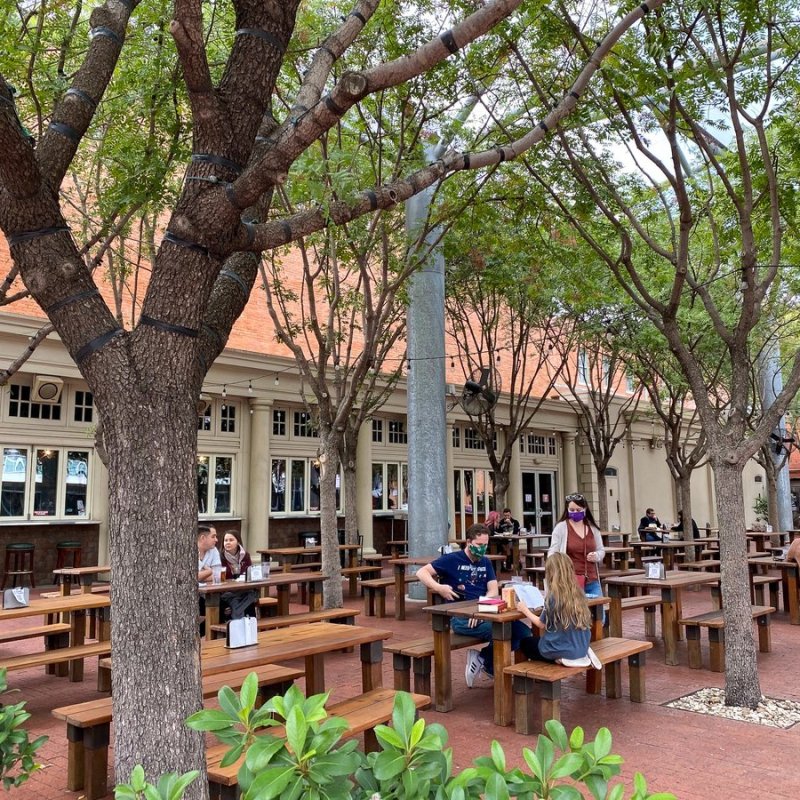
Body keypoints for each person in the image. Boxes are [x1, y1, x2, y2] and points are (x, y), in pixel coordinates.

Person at [417, 522, 532, 687]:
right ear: (469, 542)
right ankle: (492, 668)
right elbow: (422, 572)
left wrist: (481, 609)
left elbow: (493, 590)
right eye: (479, 545)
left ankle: (484, 658)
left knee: (524, 633)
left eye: (485, 545)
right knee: (505, 632)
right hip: (460, 617)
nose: (482, 549)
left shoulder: (485, 562)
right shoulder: (452, 559)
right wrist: (438, 587)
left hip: (484, 612)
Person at [516, 553, 602, 669]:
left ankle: (552, 663)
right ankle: (572, 654)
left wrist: (525, 610)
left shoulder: (553, 597)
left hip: (560, 648)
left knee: (525, 643)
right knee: (542, 640)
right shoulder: (579, 593)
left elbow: (541, 624)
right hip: (581, 647)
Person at [548, 493, 605, 600]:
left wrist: (596, 556)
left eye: (578, 510)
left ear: (585, 509)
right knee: (577, 614)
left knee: (599, 613)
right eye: (572, 510)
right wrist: (559, 567)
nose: (575, 512)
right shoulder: (561, 528)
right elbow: (552, 553)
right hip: (570, 580)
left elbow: (601, 550)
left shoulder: (593, 528)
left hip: (592, 579)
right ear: (567, 510)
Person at [197, 524, 221, 636]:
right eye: (213, 536)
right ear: (203, 538)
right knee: (201, 605)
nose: (216, 540)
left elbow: (218, 575)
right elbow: (191, 578)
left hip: (210, 592)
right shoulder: (187, 550)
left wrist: (204, 572)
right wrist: (209, 571)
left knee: (225, 601)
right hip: (192, 595)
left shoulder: (213, 550)